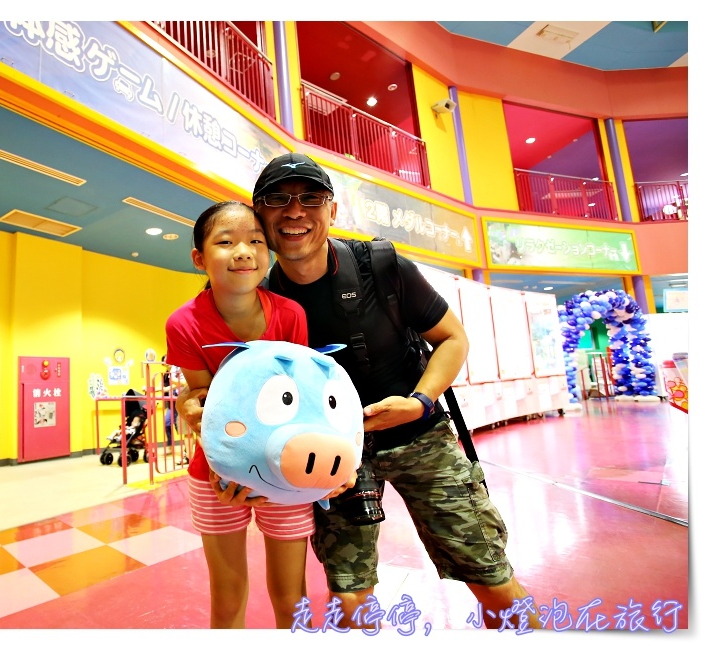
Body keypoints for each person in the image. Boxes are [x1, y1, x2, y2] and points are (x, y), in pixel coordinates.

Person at [177, 153, 541, 630]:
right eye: (277, 200)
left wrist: (419, 402)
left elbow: (453, 339)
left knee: (492, 579)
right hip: (334, 458)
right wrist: (196, 411)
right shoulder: (258, 297)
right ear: (260, 217)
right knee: (349, 594)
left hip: (421, 439)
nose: (294, 211)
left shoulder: (382, 266)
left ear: (332, 210)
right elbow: (236, 393)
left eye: (311, 198)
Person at [164, 200, 316, 629]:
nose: (244, 251)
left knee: (292, 598)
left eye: (256, 241)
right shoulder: (185, 323)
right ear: (199, 258)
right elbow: (202, 399)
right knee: (227, 600)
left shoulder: (290, 315)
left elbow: (299, 400)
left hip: (284, 471)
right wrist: (222, 464)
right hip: (216, 474)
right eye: (226, 242)